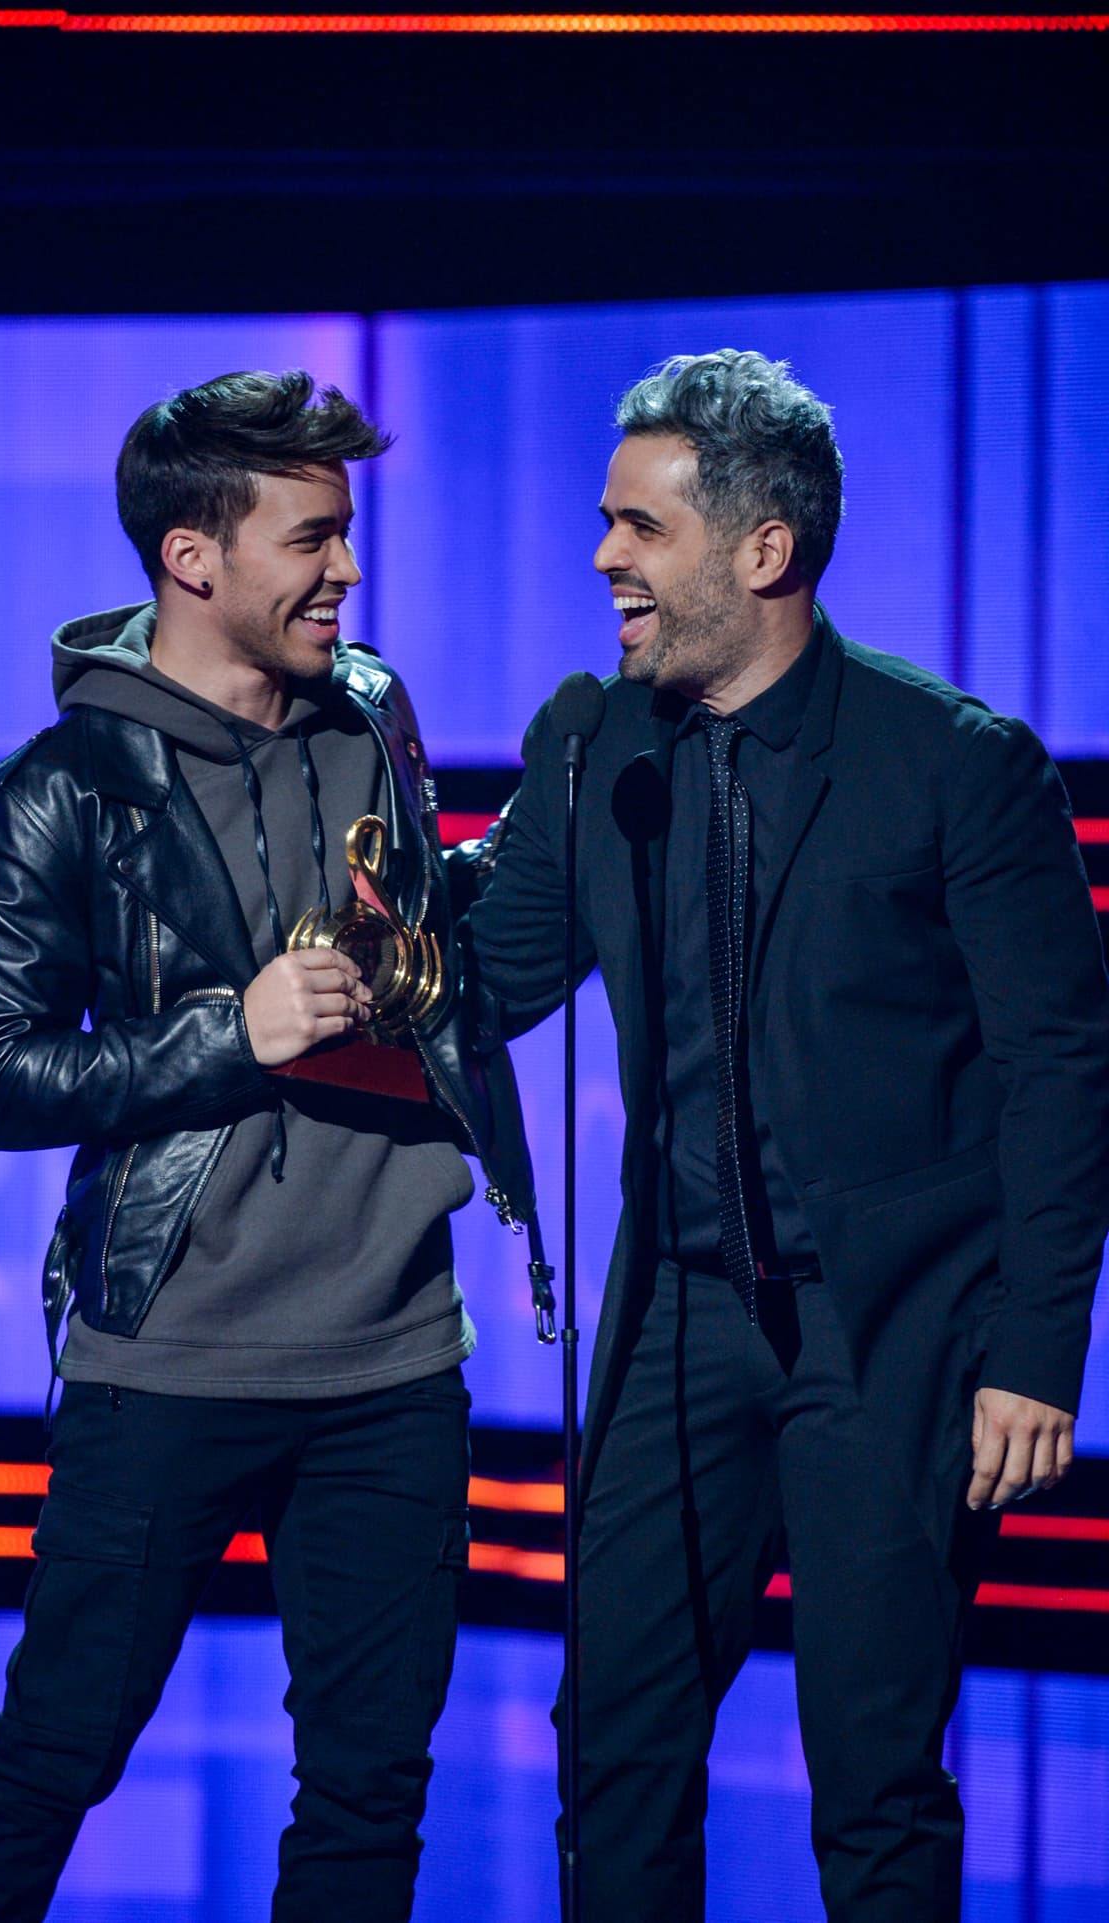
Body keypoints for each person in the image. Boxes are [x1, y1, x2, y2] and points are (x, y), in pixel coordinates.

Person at [465, 349, 1109, 1921]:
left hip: (888, 1325)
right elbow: (494, 978)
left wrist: (1035, 1351)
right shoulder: (602, 749)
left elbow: (1061, 1066)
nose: (605, 559)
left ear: (764, 551)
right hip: (678, 1319)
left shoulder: (955, 764)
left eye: (640, 527)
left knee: (873, 1773)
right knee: (609, 1742)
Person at [0, 368, 535, 1923]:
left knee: (371, 1793)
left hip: (393, 1362)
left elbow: (407, 942)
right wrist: (225, 1032)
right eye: (311, 538)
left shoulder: (372, 715)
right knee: (53, 1753)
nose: (347, 571)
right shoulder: (65, 788)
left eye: (349, 533)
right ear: (195, 559)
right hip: (167, 1368)